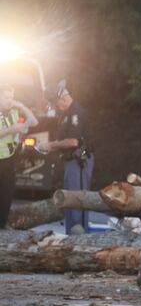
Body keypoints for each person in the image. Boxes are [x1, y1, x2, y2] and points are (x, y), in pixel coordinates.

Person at [38, 80, 93, 234]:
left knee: (77, 199)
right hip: (69, 161)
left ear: (62, 98)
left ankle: (79, 237)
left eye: (55, 104)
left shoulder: (76, 112)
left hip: (79, 161)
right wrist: (49, 146)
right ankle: (71, 234)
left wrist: (51, 146)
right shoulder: (65, 114)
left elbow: (73, 141)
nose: (56, 108)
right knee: (68, 199)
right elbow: (62, 140)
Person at [0, 84, 39, 228]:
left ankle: (2, 226)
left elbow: (34, 122)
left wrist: (21, 106)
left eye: (12, 97)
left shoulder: (14, 111)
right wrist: (12, 129)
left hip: (9, 159)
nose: (10, 100)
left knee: (6, 194)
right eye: (6, 97)